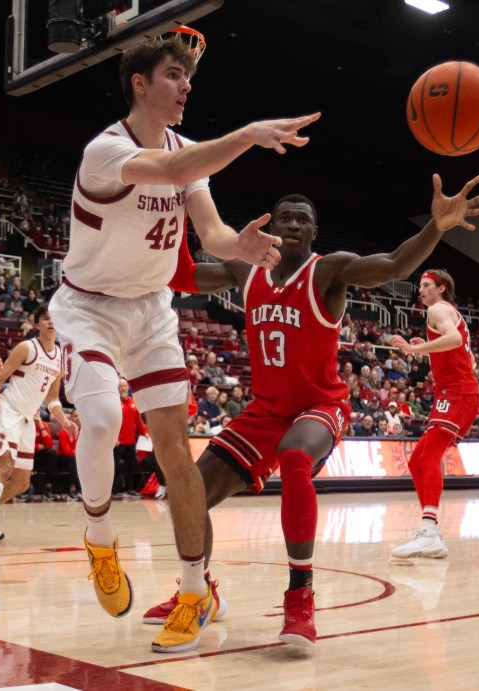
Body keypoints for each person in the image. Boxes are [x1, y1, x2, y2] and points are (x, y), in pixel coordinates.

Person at [44, 27, 319, 654]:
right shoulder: (104, 153)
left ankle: (196, 589)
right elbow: (169, 169)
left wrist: (238, 248)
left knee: (175, 448)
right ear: (140, 84)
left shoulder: (185, 147)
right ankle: (99, 537)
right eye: (173, 75)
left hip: (151, 311)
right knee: (104, 413)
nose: (186, 87)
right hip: (89, 308)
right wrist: (249, 134)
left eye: (188, 77)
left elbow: (212, 232)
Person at [141, 174, 479, 646]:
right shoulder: (244, 272)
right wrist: (161, 221)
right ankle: (199, 592)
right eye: (283, 216)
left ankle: (300, 595)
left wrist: (436, 226)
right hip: (265, 410)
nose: (291, 224)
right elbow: (179, 274)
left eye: (301, 219)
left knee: (294, 457)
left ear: (313, 232)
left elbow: (391, 264)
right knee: (190, 493)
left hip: (320, 405)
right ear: (269, 225)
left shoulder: (327, 270)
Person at [0, 306, 75, 549]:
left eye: (54, 319)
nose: (51, 322)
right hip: (7, 412)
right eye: (45, 319)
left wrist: (64, 421)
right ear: (36, 324)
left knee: (21, 483)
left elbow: (52, 399)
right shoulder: (26, 348)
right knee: (5, 466)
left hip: (28, 419)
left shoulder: (60, 357)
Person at [388, 267, 479, 559]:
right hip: (453, 392)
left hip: (456, 392)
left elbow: (455, 341)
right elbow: (464, 355)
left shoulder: (438, 310)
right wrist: (430, 349)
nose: (421, 290)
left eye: (427, 285)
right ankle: (431, 533)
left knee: (427, 457)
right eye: (420, 285)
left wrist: (413, 349)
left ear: (442, 288)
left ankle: (429, 531)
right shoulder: (447, 311)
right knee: (418, 461)